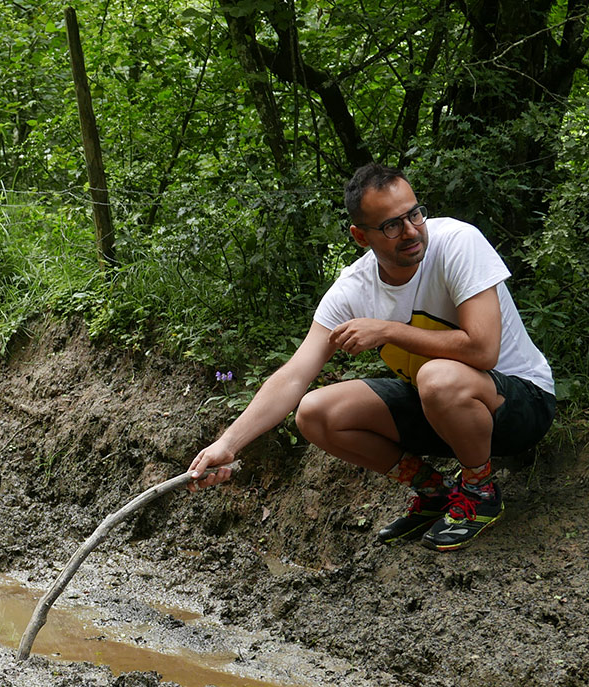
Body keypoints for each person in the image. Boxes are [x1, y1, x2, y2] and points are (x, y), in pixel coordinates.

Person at [187, 162, 556, 551]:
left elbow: (483, 349)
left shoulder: (457, 243)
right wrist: (228, 444)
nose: (412, 231)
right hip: (442, 408)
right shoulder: (354, 288)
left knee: (436, 378)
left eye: (414, 214)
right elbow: (294, 376)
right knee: (315, 412)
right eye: (392, 225)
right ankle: (435, 492)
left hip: (519, 403)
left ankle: (480, 491)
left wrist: (388, 330)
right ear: (361, 236)